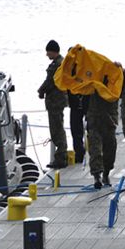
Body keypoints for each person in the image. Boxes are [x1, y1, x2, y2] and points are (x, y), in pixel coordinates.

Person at [38, 40, 68, 168]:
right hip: (60, 100)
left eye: (48, 51)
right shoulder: (62, 62)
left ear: (52, 51)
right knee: (59, 127)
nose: (46, 54)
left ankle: (61, 158)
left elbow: (49, 81)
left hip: (55, 101)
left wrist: (40, 90)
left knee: (56, 129)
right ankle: (62, 155)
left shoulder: (56, 65)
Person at [88, 75, 119, 189]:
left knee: (110, 150)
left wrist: (123, 72)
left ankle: (106, 173)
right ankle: (97, 176)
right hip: (95, 121)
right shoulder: (94, 85)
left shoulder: (116, 85)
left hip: (109, 123)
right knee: (95, 150)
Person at [68, 91, 89, 163]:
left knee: (92, 129)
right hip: (76, 100)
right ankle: (79, 153)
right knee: (75, 129)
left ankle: (95, 154)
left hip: (88, 98)